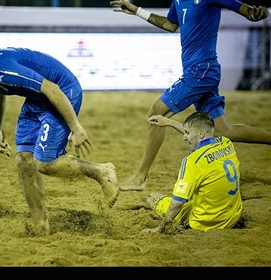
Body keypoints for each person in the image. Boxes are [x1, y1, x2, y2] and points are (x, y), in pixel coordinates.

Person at [0, 30, 119, 236]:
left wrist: (76, 127)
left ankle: (101, 171)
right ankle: (40, 224)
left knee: (44, 162)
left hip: (62, 90)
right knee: (24, 159)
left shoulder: (2, 69)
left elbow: (51, 89)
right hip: (38, 98)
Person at [109, 0, 271, 191]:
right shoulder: (177, 1)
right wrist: (138, 11)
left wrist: (257, 13)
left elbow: (248, 12)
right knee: (222, 131)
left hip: (202, 71)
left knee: (157, 111)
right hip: (197, 72)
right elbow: (171, 25)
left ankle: (140, 177)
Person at [143, 112, 243, 233]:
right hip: (233, 217)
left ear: (201, 134)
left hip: (206, 224)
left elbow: (177, 203)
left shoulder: (192, 161)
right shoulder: (226, 143)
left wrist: (160, 229)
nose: (184, 137)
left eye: (187, 133)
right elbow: (204, 136)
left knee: (154, 197)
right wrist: (169, 122)